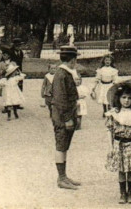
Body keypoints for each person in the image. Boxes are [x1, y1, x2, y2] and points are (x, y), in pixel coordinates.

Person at [104, 82, 131, 204]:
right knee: (121, 169)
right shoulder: (114, 113)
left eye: (129, 98)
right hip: (119, 144)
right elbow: (110, 131)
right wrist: (110, 147)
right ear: (118, 98)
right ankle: (122, 193)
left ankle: (130, 193)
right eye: (123, 97)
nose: (126, 101)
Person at [51, 45, 81, 190]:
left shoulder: (64, 73)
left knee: (64, 146)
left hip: (65, 115)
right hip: (63, 117)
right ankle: (61, 178)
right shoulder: (62, 74)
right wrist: (68, 118)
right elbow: (61, 100)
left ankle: (64, 176)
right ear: (73, 60)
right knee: (61, 145)